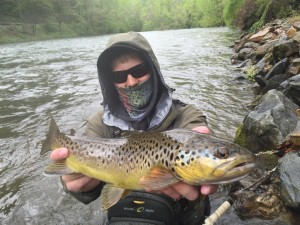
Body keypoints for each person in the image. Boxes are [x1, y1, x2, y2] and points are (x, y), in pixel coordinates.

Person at [50, 31, 218, 224]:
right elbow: (88, 180)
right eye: (120, 75)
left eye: (139, 71)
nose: (131, 82)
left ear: (154, 69)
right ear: (110, 82)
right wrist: (79, 185)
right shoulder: (99, 124)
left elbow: (199, 137)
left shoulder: (187, 115)